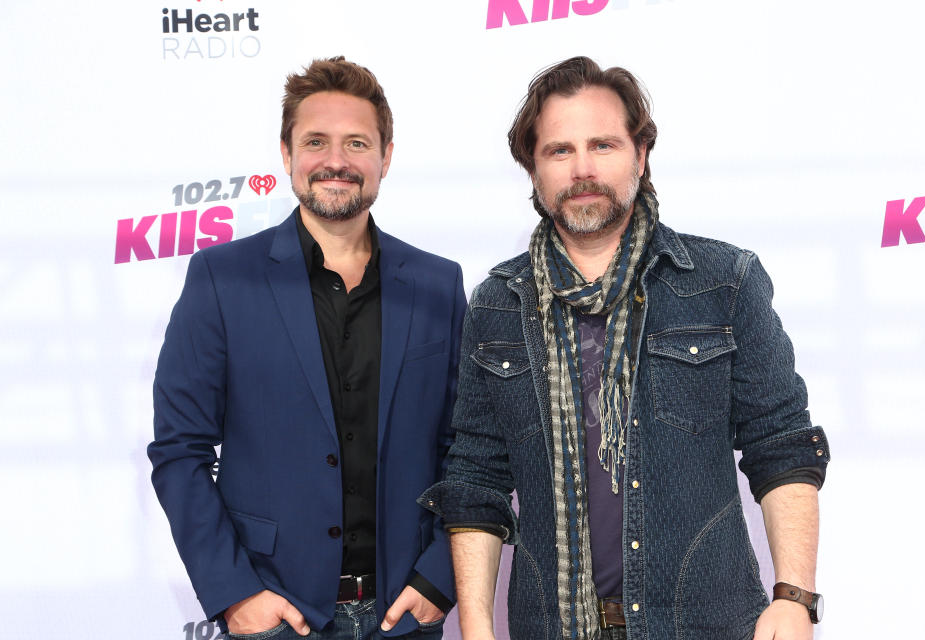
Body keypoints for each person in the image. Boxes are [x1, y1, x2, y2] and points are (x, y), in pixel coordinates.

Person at [419, 56, 829, 640]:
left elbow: (781, 444)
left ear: (640, 155)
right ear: (532, 168)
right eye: (559, 151)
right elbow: (478, 477)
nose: (582, 168)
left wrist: (794, 598)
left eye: (603, 145)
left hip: (706, 627)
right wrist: (479, 629)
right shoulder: (497, 302)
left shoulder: (723, 280)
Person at [148, 57, 465, 640]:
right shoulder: (222, 278)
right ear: (287, 153)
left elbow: (467, 450)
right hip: (275, 616)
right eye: (316, 141)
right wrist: (236, 594)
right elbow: (180, 450)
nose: (336, 161)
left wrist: (438, 580)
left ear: (385, 156)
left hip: (404, 617)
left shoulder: (437, 285)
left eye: (357, 143)